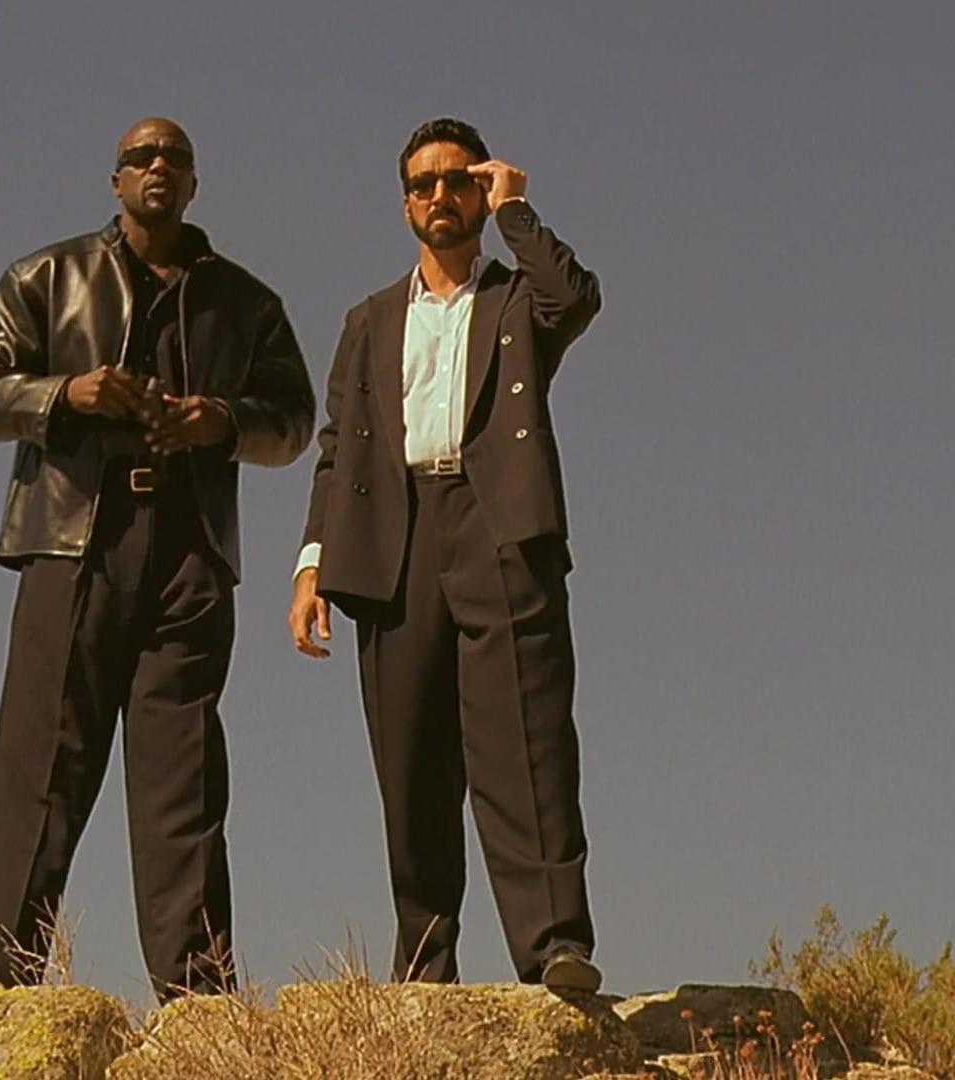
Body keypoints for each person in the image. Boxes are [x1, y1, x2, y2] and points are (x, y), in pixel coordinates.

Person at [0, 117, 315, 1000]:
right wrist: (69, 393)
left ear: (194, 183)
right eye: (141, 157)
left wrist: (219, 422)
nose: (158, 166)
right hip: (71, 544)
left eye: (174, 158)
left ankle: (196, 1005)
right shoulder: (44, 278)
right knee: (42, 767)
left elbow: (294, 421)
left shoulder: (246, 303)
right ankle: (2, 993)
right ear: (115, 180)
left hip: (189, 552)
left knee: (183, 783)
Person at [288, 117, 605, 992]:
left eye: (458, 179)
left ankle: (555, 947)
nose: (440, 194)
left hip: (498, 522)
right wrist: (313, 563)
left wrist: (517, 211)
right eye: (423, 183)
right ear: (405, 206)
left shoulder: (516, 300)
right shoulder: (367, 321)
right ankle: (425, 964)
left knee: (525, 740)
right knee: (411, 758)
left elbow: (575, 298)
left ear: (479, 188)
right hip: (392, 537)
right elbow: (336, 449)